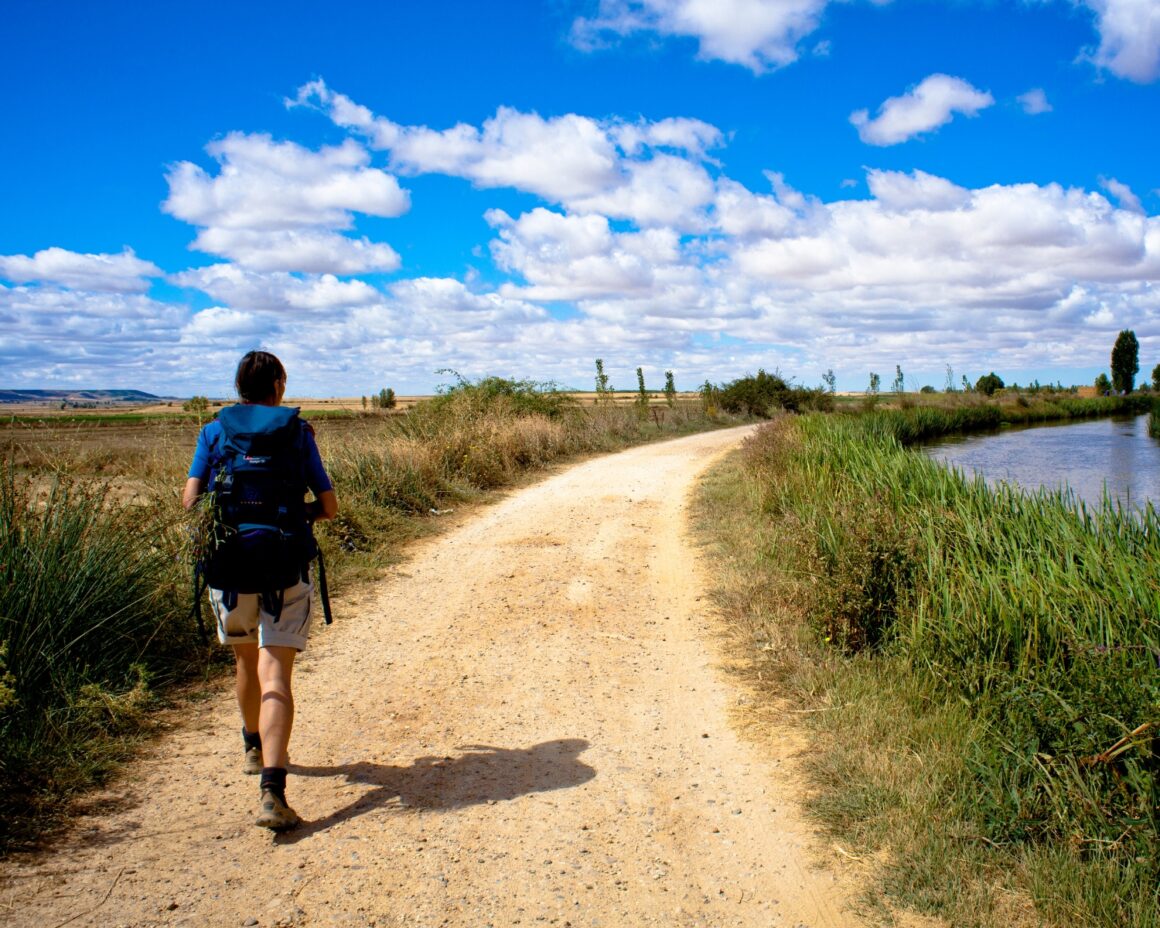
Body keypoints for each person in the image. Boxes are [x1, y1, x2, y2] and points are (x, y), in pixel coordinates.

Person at [183, 351, 338, 830]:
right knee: (278, 676)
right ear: (278, 384)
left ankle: (252, 745)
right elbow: (329, 506)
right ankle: (273, 789)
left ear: (239, 387)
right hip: (285, 568)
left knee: (245, 659)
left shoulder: (213, 432)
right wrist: (294, 517)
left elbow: (191, 502)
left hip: (228, 570)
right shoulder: (298, 431)